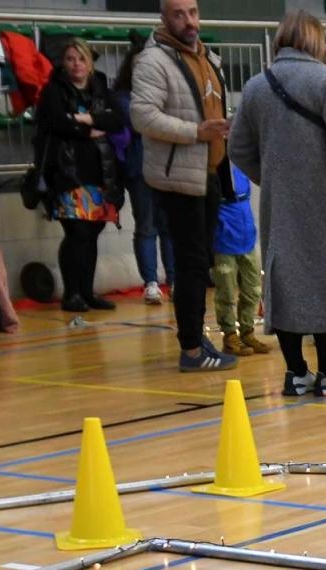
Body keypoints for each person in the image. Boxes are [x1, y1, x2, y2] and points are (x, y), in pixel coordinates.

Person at [229, 9, 326, 398]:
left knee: (286, 278)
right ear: (314, 40)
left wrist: (271, 177)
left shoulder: (256, 85)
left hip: (281, 199)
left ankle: (296, 373)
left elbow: (237, 147)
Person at [129, 0, 237, 371]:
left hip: (210, 173)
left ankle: (195, 337)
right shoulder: (153, 61)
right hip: (178, 177)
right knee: (191, 265)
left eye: (193, 12)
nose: (189, 21)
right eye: (179, 14)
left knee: (201, 264)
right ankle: (191, 349)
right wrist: (195, 131)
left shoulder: (210, 58)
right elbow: (143, 116)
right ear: (164, 18)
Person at [33, 38, 125, 314]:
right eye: (71, 59)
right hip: (67, 173)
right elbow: (56, 122)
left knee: (93, 233)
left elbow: (117, 119)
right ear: (63, 63)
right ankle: (71, 293)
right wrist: (88, 130)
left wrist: (86, 119)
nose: (76, 64)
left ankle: (87, 291)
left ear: (90, 62)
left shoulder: (100, 87)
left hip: (100, 173)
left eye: (81, 59)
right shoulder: (54, 90)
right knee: (76, 232)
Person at [113, 41, 174, 305]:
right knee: (147, 225)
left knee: (169, 225)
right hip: (139, 169)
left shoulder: (167, 92)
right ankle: (151, 282)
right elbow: (144, 122)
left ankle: (174, 279)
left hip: (166, 167)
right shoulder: (122, 97)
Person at [211, 162, 263, 356]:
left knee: (253, 289)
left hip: (246, 234)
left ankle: (248, 332)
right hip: (223, 237)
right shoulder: (215, 162)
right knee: (226, 290)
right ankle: (230, 336)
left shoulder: (241, 160)